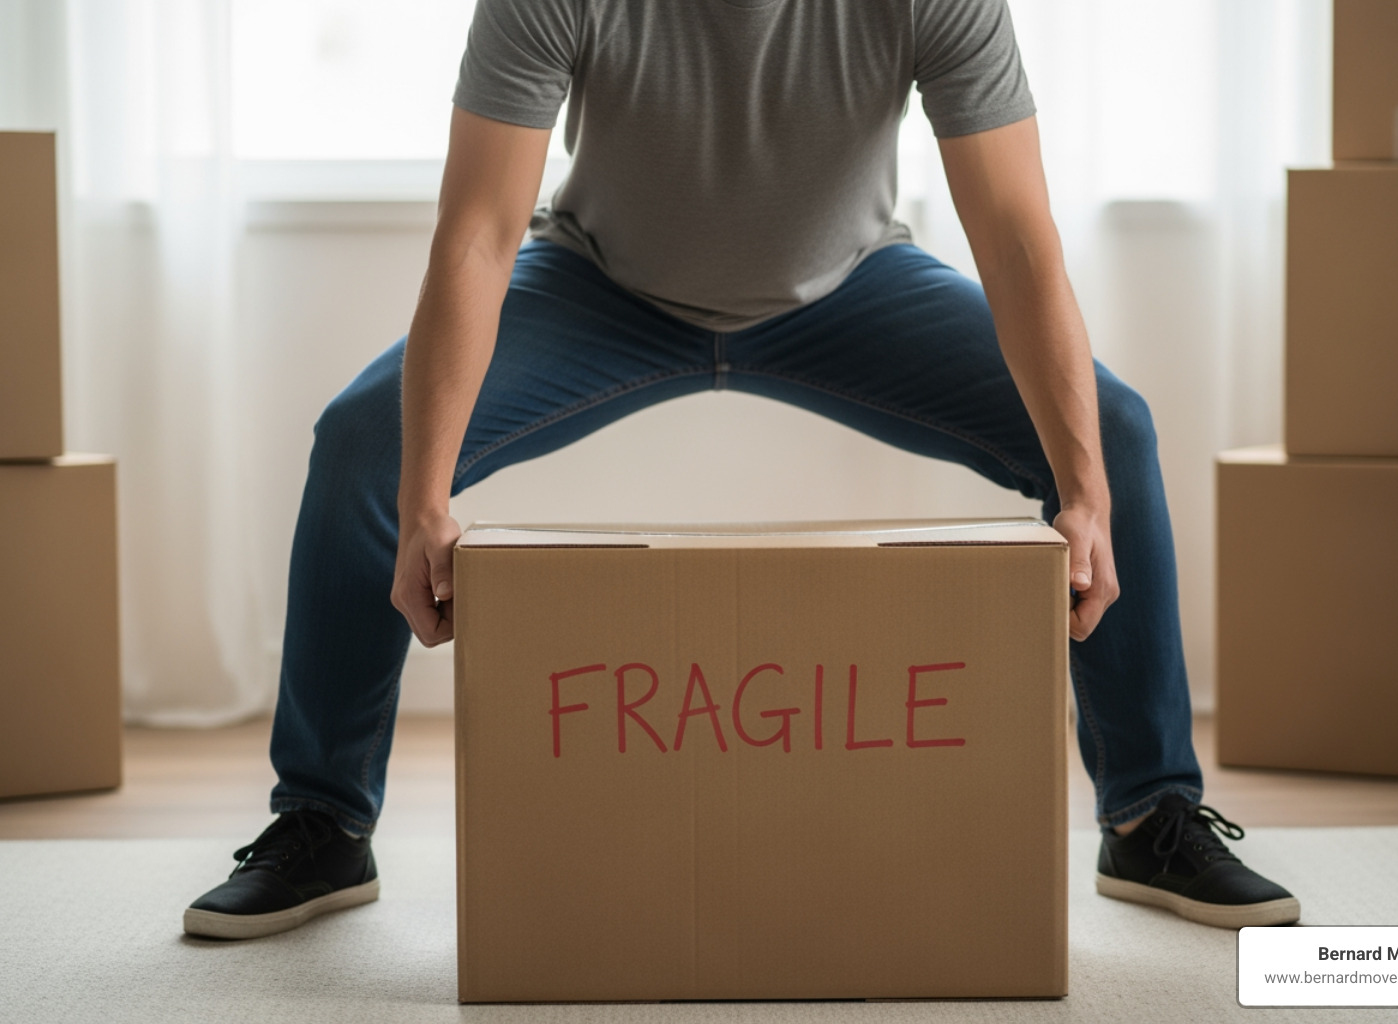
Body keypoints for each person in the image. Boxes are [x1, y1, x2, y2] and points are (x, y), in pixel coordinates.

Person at [182, 0, 1298, 942]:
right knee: (363, 448)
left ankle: (1150, 815)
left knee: (1115, 433)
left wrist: (1084, 486)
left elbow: (1014, 234)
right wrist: (425, 497)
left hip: (853, 288)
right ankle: (324, 821)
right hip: (602, 289)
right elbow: (477, 231)